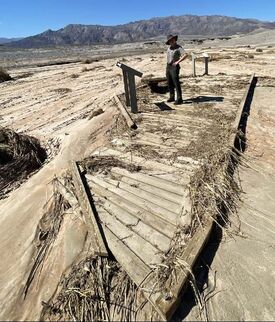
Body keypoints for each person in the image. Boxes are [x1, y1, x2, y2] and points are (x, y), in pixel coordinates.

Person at [166, 34, 188, 105]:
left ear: (175, 40)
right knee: (169, 82)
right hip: (168, 66)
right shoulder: (169, 48)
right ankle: (172, 96)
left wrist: (177, 62)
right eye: (170, 40)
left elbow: (185, 54)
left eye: (172, 40)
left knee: (176, 83)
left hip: (174, 67)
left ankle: (179, 99)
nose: (171, 41)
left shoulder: (179, 48)